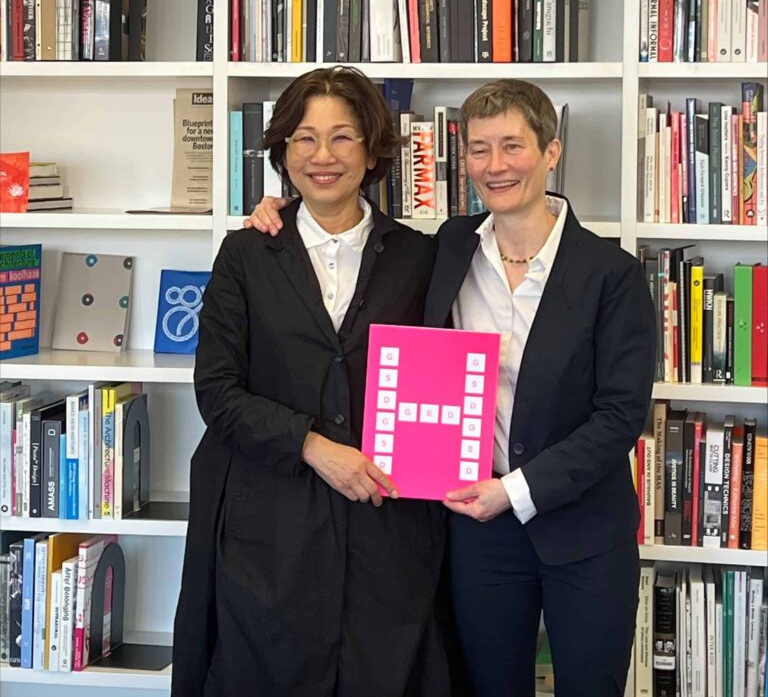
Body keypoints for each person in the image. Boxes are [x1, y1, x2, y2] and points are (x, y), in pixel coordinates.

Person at [247, 77, 656, 697]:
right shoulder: (445, 249)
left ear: (552, 152)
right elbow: (340, 230)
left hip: (583, 534)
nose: (495, 166)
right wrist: (278, 206)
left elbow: (620, 416)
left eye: (513, 147)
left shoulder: (613, 273)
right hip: (476, 531)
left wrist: (512, 492)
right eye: (479, 149)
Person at [172, 66, 451, 697]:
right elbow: (216, 390)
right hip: (269, 519)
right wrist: (313, 447)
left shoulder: (420, 255)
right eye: (304, 138)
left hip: (384, 519)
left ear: (373, 150)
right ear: (282, 152)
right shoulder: (245, 253)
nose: (322, 156)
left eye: (343, 137)